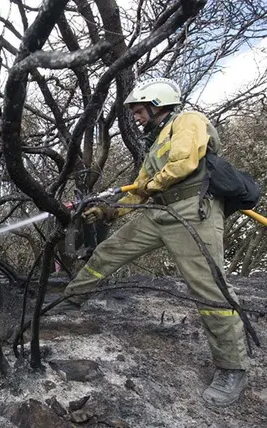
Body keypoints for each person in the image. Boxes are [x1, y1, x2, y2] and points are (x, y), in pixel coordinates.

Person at [59, 77, 249, 407]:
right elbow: (140, 191)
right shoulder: (154, 145)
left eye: (139, 110)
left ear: (157, 103)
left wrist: (147, 187)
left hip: (192, 212)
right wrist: (108, 211)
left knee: (210, 289)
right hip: (159, 212)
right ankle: (74, 295)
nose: (135, 116)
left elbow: (184, 163)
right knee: (109, 250)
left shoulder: (188, 121)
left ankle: (232, 368)